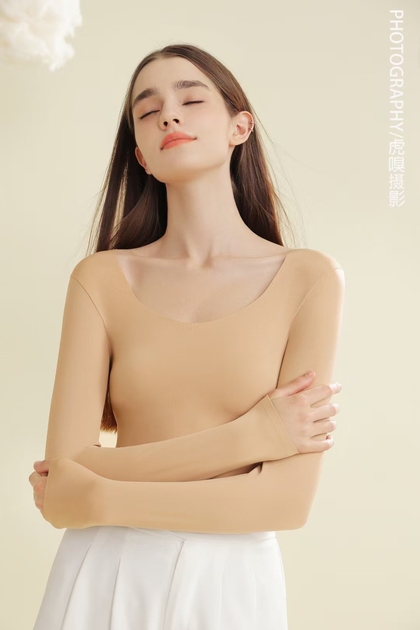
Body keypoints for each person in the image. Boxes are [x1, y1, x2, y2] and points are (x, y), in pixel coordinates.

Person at [28, 43, 345, 630]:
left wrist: (100, 493)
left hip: (231, 582)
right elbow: (65, 477)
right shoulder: (101, 278)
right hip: (103, 569)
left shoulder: (308, 278)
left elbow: (284, 503)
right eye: (148, 112)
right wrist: (251, 437)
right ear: (142, 157)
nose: (168, 115)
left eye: (191, 100)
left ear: (239, 127)